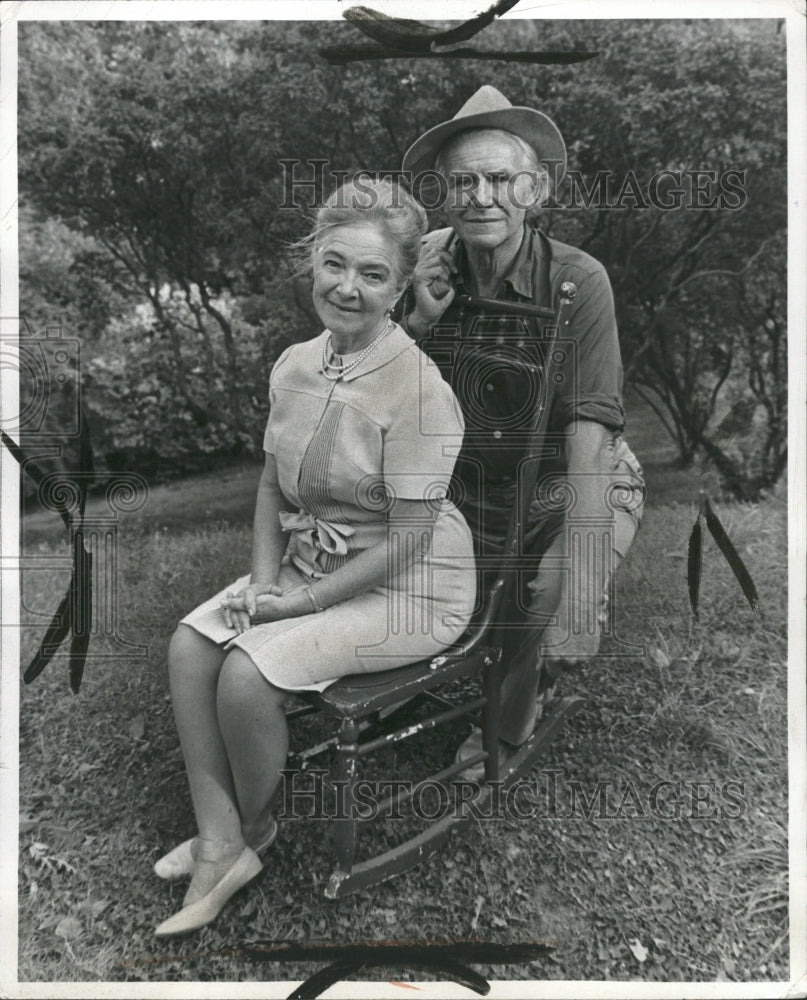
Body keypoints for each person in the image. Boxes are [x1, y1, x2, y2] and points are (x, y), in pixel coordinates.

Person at [154, 177, 476, 936]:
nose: (348, 288)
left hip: (414, 587)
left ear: (400, 289)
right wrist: (266, 582)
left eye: (372, 276)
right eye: (335, 265)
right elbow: (271, 486)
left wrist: (291, 607)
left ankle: (245, 835)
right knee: (190, 645)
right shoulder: (296, 363)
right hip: (313, 567)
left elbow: (409, 541)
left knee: (246, 673)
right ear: (311, 265)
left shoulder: (420, 390)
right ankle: (222, 837)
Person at [399, 86, 645, 777]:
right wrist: (416, 319)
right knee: (403, 570)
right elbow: (376, 396)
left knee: (543, 588)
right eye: (463, 181)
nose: (481, 196)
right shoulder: (425, 264)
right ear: (444, 192)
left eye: (500, 179)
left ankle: (506, 722)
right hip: (470, 485)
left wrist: (583, 583)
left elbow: (590, 432)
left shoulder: (576, 280)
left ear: (534, 190)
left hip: (570, 479)